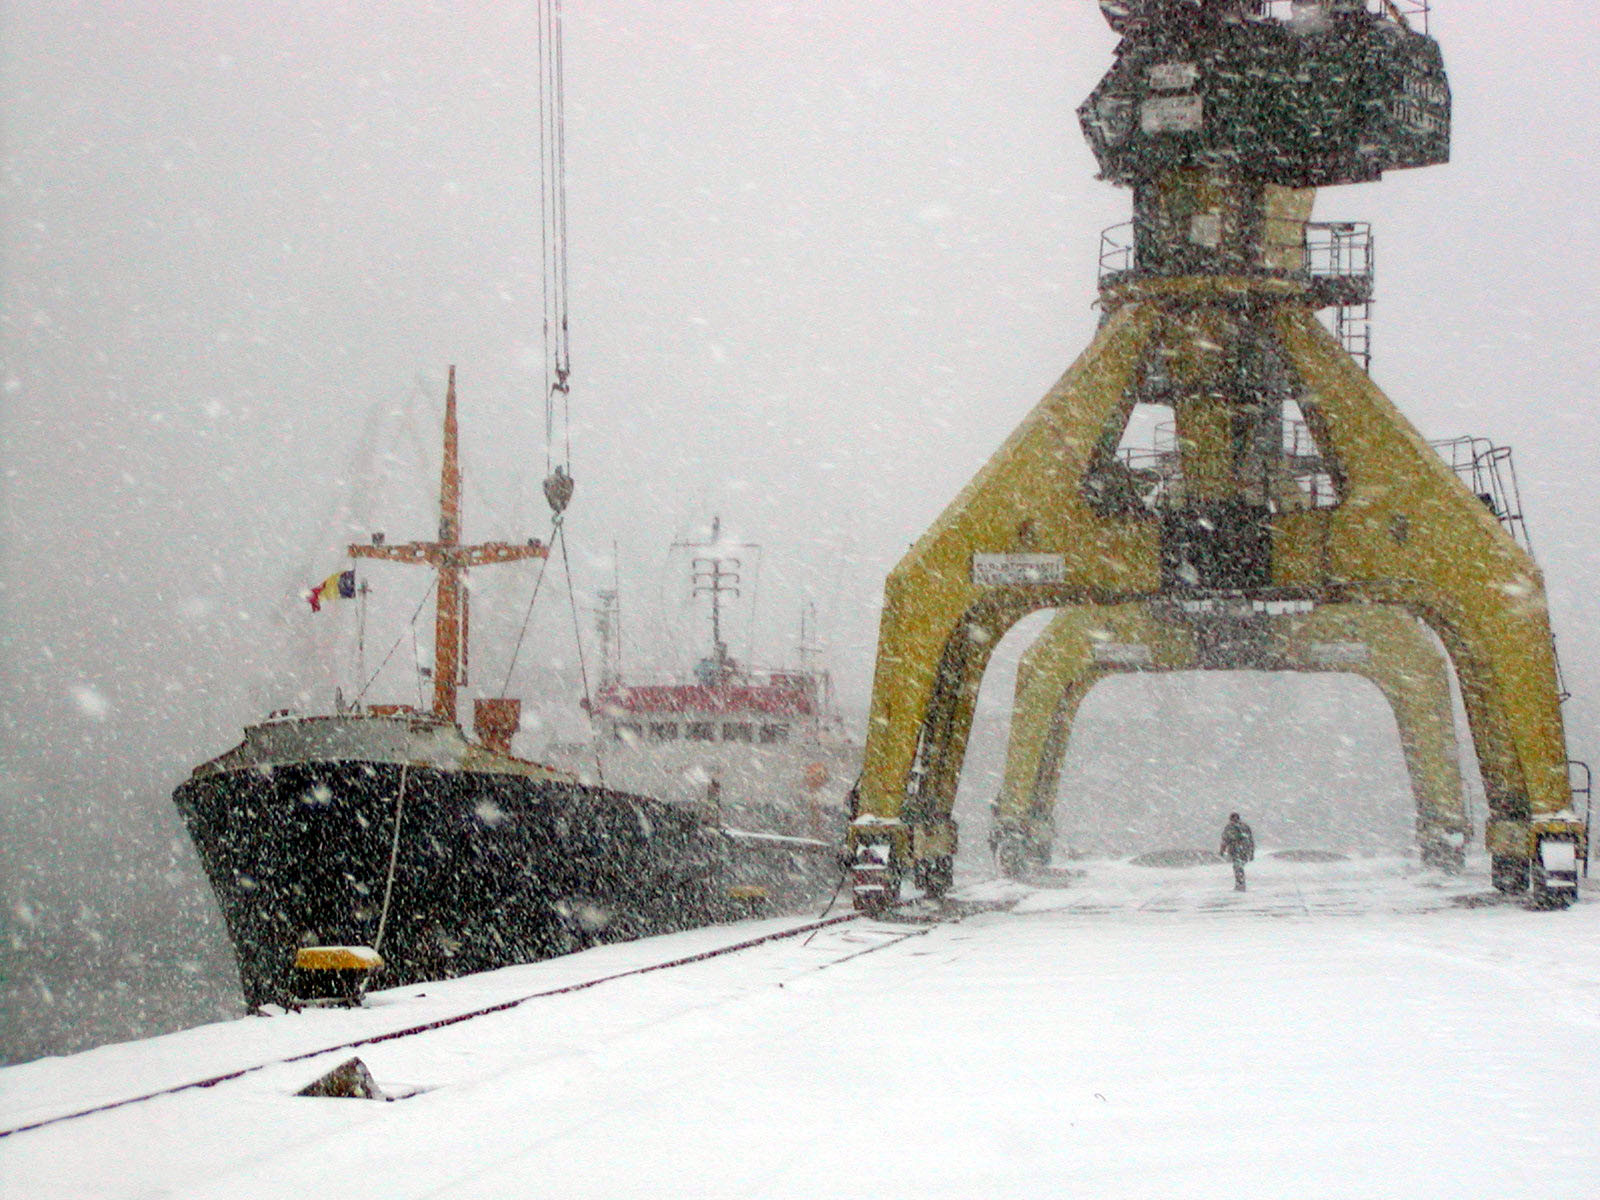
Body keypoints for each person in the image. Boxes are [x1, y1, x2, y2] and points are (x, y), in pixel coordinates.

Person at [1220, 812, 1255, 891]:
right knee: (1239, 866)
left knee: (1237, 867)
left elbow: (1225, 839)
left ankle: (1240, 884)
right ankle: (1241, 884)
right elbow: (1250, 840)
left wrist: (1222, 850)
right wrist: (1251, 852)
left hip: (1236, 850)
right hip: (1244, 850)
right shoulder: (1245, 827)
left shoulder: (1230, 827)